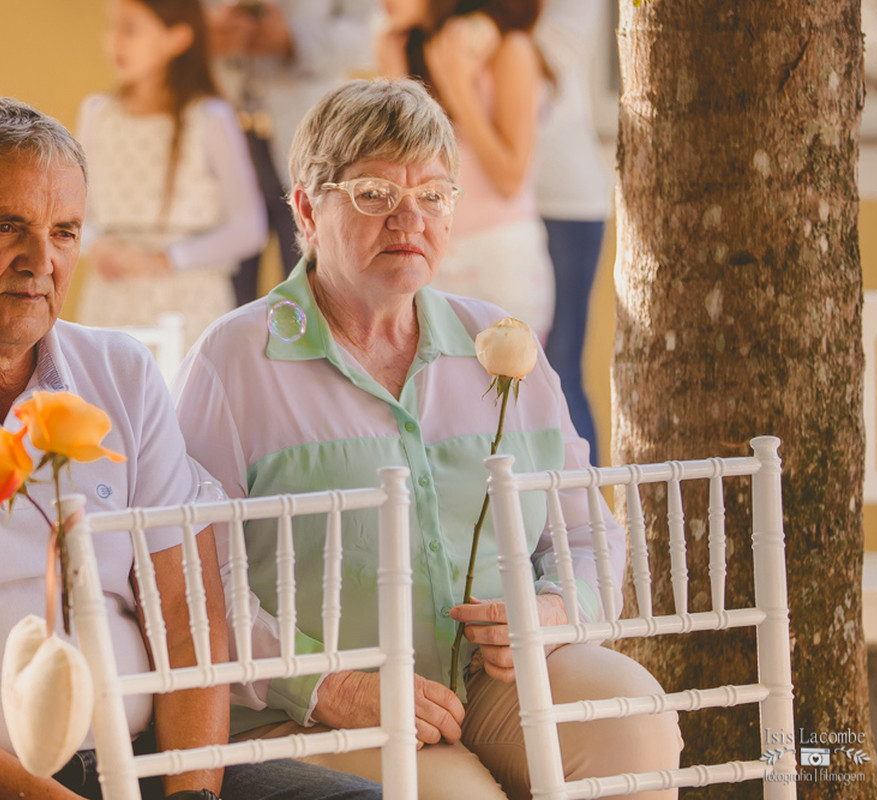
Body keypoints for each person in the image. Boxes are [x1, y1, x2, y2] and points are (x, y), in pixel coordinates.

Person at [0, 96, 382, 800]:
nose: (40, 261)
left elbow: (185, 619)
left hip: (127, 758)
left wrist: (192, 795)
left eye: (65, 231)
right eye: (5, 226)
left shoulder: (122, 373)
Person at [173, 79, 682, 800]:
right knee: (453, 796)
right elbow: (194, 584)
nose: (410, 217)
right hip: (325, 710)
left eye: (435, 195)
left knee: (631, 722)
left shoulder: (498, 343)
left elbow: (588, 535)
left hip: (492, 680)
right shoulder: (233, 361)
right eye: (376, 193)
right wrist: (333, 685)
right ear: (307, 209)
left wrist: (552, 612)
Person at [76, 0, 266, 349]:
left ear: (177, 38)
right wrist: (97, 245)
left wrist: (166, 260)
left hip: (190, 307)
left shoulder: (211, 117)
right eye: (111, 27)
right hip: (110, 304)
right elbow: (73, 213)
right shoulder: (96, 113)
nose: (113, 42)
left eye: (130, 29)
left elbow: (248, 228)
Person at [379, 0, 555, 340]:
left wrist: (458, 84)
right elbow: (406, 168)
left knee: (504, 392)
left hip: (498, 264)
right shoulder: (408, 48)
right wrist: (396, 77)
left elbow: (510, 179)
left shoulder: (510, 48)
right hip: (427, 255)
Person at [205, 0, 376, 304]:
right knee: (224, 290)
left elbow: (370, 33)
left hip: (307, 137)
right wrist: (205, 35)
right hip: (218, 129)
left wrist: (295, 39)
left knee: (311, 286)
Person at [535, 0, 612, 464]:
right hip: (493, 214)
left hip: (566, 199)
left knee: (560, 372)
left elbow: (550, 51)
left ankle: (588, 530)